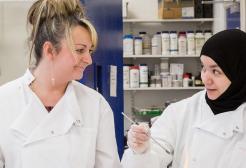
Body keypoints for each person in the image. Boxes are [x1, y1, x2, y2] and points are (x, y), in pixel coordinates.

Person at [0, 0, 121, 167]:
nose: (89, 60)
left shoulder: (95, 105)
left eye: (90, 51)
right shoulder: (4, 101)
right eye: (80, 50)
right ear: (50, 50)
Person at [121, 29, 246, 168]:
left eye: (216, 71)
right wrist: (142, 151)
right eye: (204, 68)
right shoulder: (181, 112)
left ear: (239, 72)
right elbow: (154, 153)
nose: (206, 80)